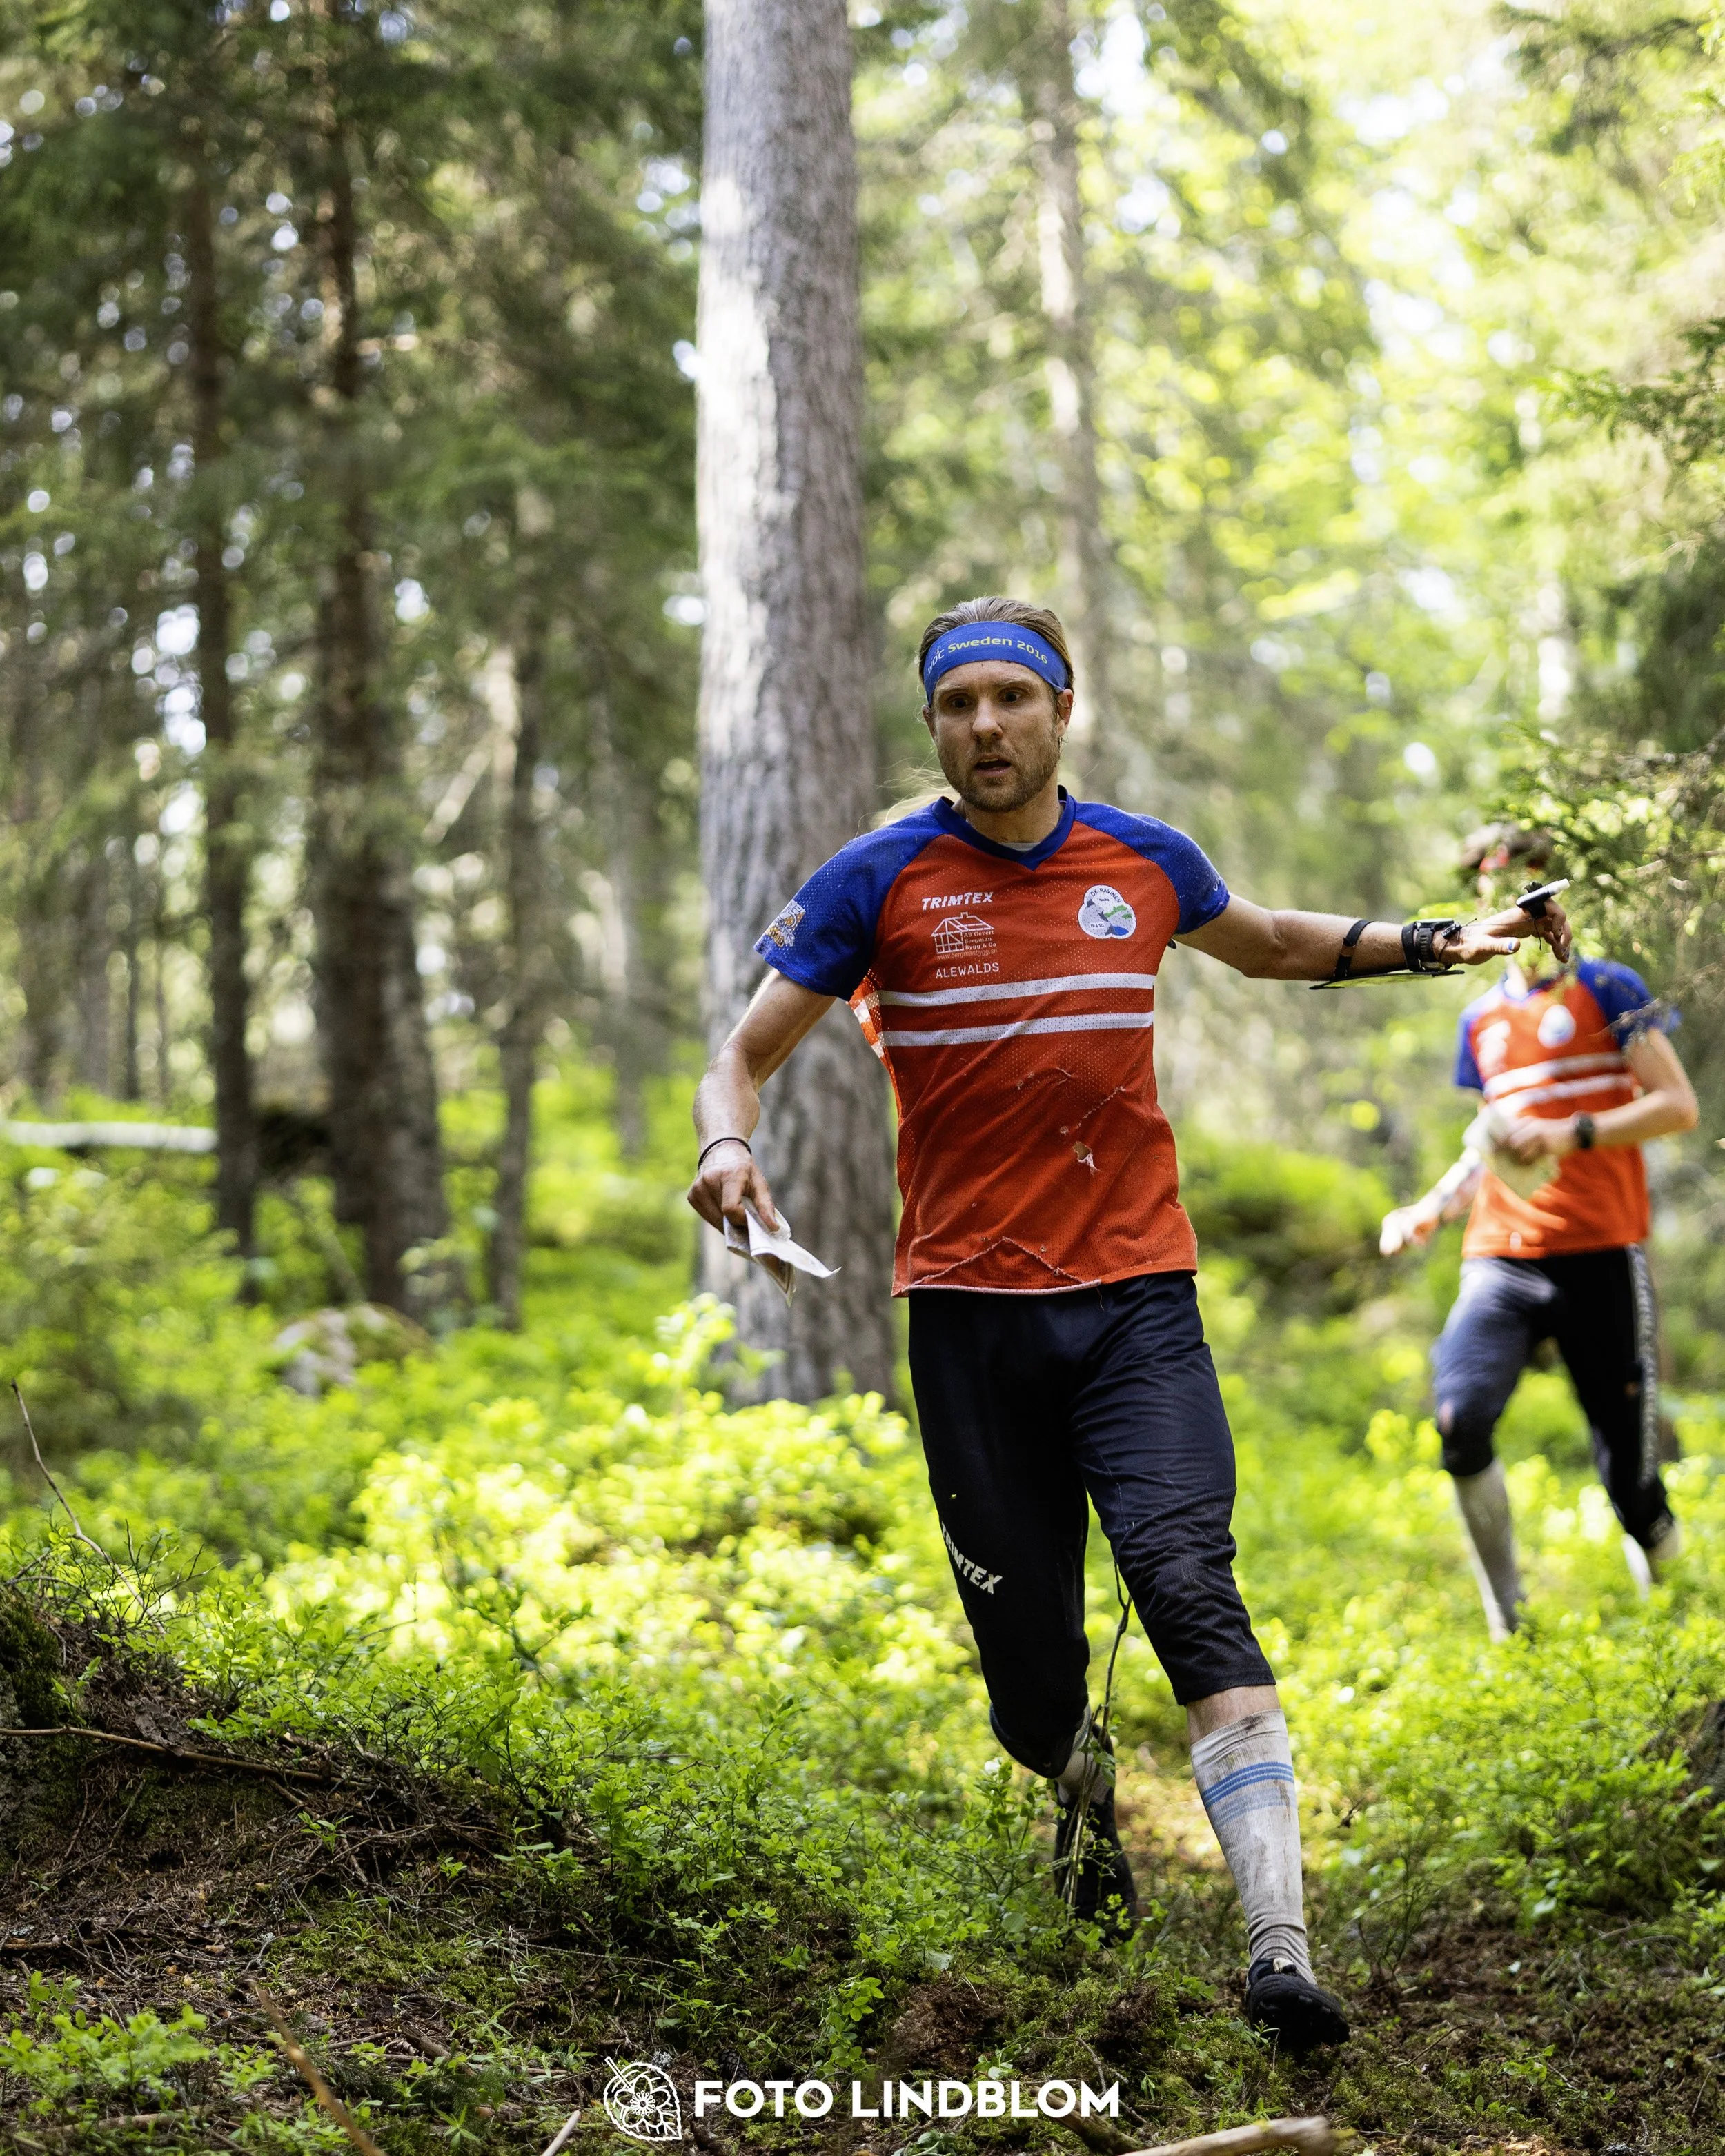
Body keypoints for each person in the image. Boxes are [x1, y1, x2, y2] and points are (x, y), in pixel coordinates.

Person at [687, 599, 1570, 2050]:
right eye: (957, 702)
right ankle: (1075, 1780)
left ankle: (1277, 1949)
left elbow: (1273, 941)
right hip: (967, 1319)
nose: (985, 725)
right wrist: (725, 1148)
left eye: (1009, 699)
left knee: (1185, 1580)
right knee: (1028, 1678)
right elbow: (744, 1051)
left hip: (1134, 1301)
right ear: (931, 724)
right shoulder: (875, 876)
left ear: (1059, 708)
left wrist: (1431, 939)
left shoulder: (1142, 860)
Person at [1380, 825, 1699, 1638]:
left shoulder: (1611, 987)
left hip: (1601, 1253)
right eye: (1492, 881)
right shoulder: (1481, 1022)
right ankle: (1508, 1622)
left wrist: (1569, 1133)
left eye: (1525, 878)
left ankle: (1678, 1612)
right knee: (1459, 1417)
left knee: (1628, 1480)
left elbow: (1678, 1105)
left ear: (1550, 891)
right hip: (1503, 1257)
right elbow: (1489, 1143)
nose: (1510, 893)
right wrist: (1429, 1207)